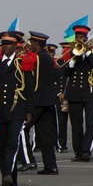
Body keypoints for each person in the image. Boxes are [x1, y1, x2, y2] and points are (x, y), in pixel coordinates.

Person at [0, 31, 35, 186]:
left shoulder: (22, 63)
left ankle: (7, 175)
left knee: (13, 143)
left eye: (9, 44)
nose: (5, 47)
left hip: (16, 110)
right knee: (3, 146)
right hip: (0, 111)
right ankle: (8, 181)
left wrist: (29, 111)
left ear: (15, 46)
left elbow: (29, 89)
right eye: (3, 44)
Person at [61, 25, 93, 162]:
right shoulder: (71, 52)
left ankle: (86, 151)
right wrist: (72, 61)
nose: (79, 39)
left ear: (86, 38)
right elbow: (66, 73)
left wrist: (86, 53)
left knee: (90, 123)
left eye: (81, 37)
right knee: (76, 124)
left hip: (90, 91)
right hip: (74, 93)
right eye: (77, 37)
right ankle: (78, 152)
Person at [25, 31, 60, 175]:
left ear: (36, 44)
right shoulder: (47, 57)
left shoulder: (39, 58)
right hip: (48, 101)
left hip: (39, 101)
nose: (30, 45)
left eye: (32, 43)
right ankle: (50, 166)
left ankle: (28, 161)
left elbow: (37, 83)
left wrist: (31, 105)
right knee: (45, 135)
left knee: (22, 129)